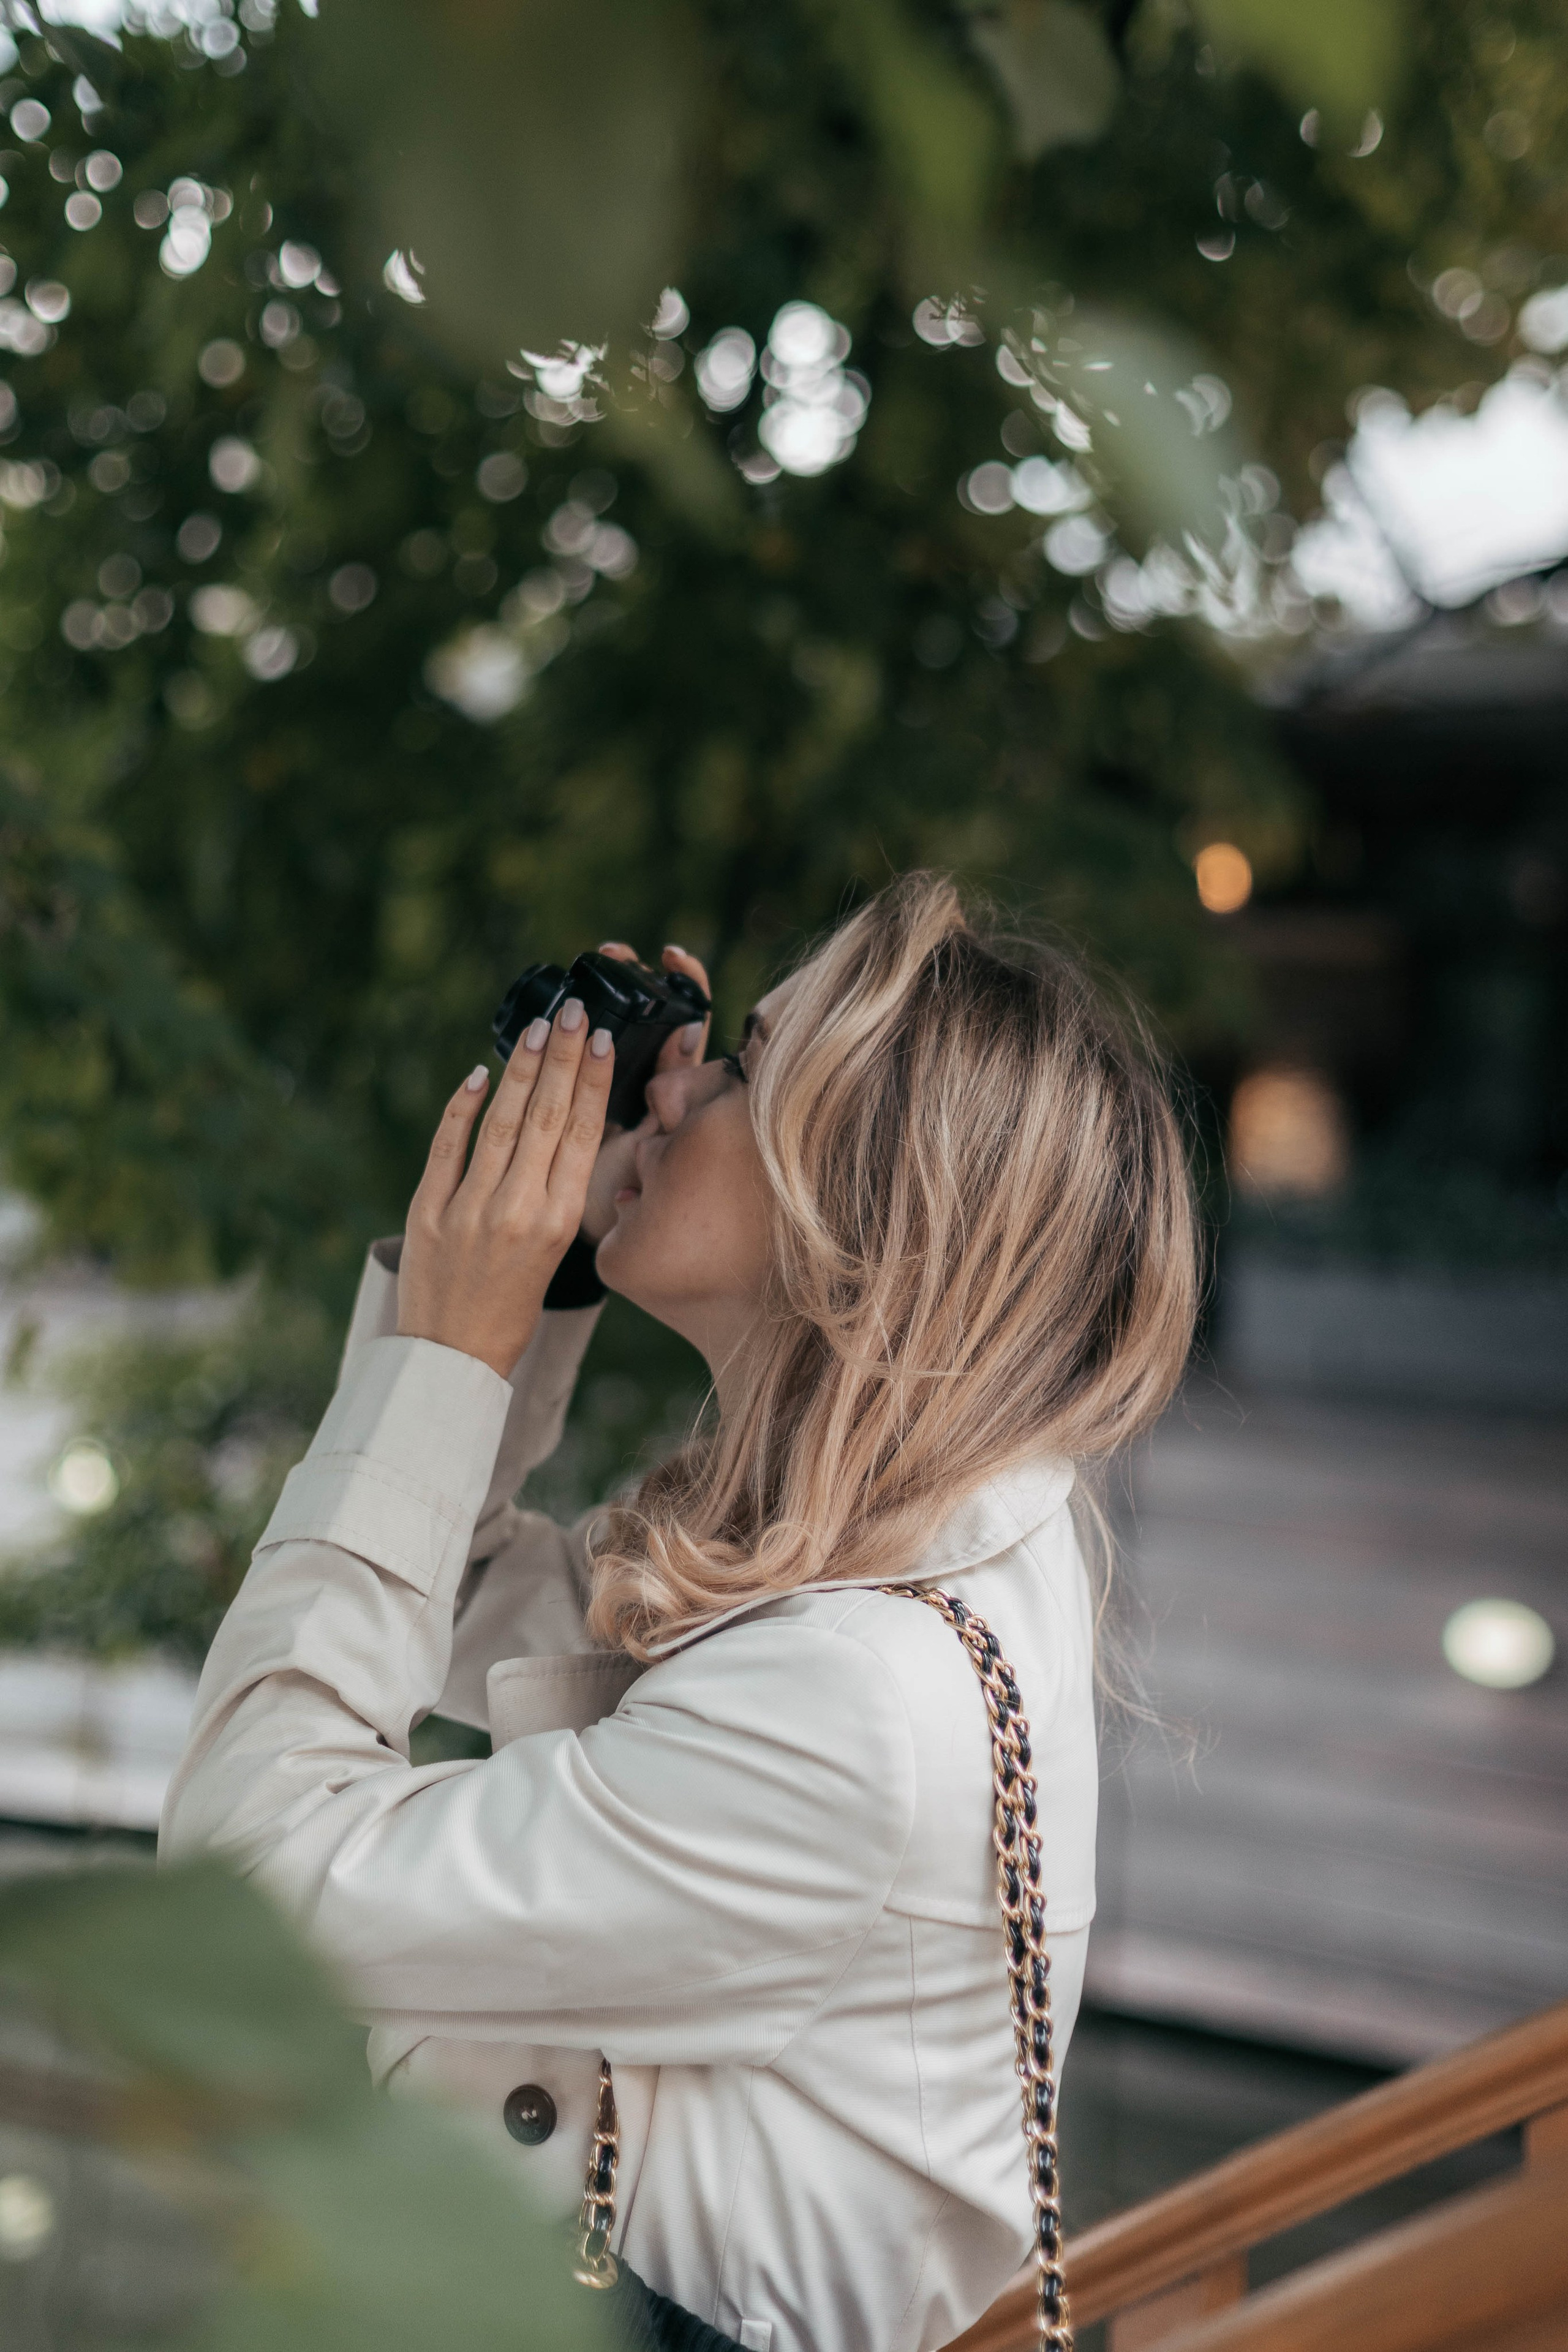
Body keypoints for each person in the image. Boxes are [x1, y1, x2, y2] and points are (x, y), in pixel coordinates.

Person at [161, 873, 1199, 2352]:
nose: (672, 1087)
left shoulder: (852, 1697)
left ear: (861, 1204)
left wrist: (452, 1351)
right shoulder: (898, 1567)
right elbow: (454, 1590)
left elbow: (237, 1888)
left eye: (747, 1063)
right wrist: (551, 1280)